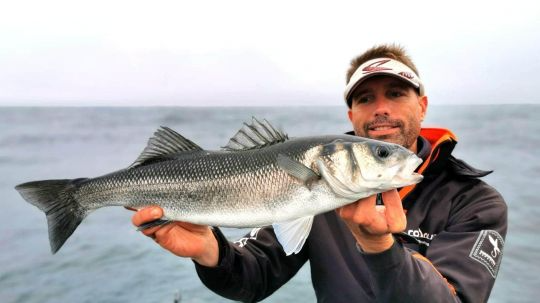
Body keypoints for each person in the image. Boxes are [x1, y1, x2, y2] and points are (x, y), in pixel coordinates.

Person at [131, 44, 507, 302]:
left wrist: (381, 249)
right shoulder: (322, 182)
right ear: (351, 115)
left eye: (396, 93)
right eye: (365, 98)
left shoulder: (475, 202)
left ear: (421, 106)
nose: (380, 109)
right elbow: (254, 278)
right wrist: (210, 251)